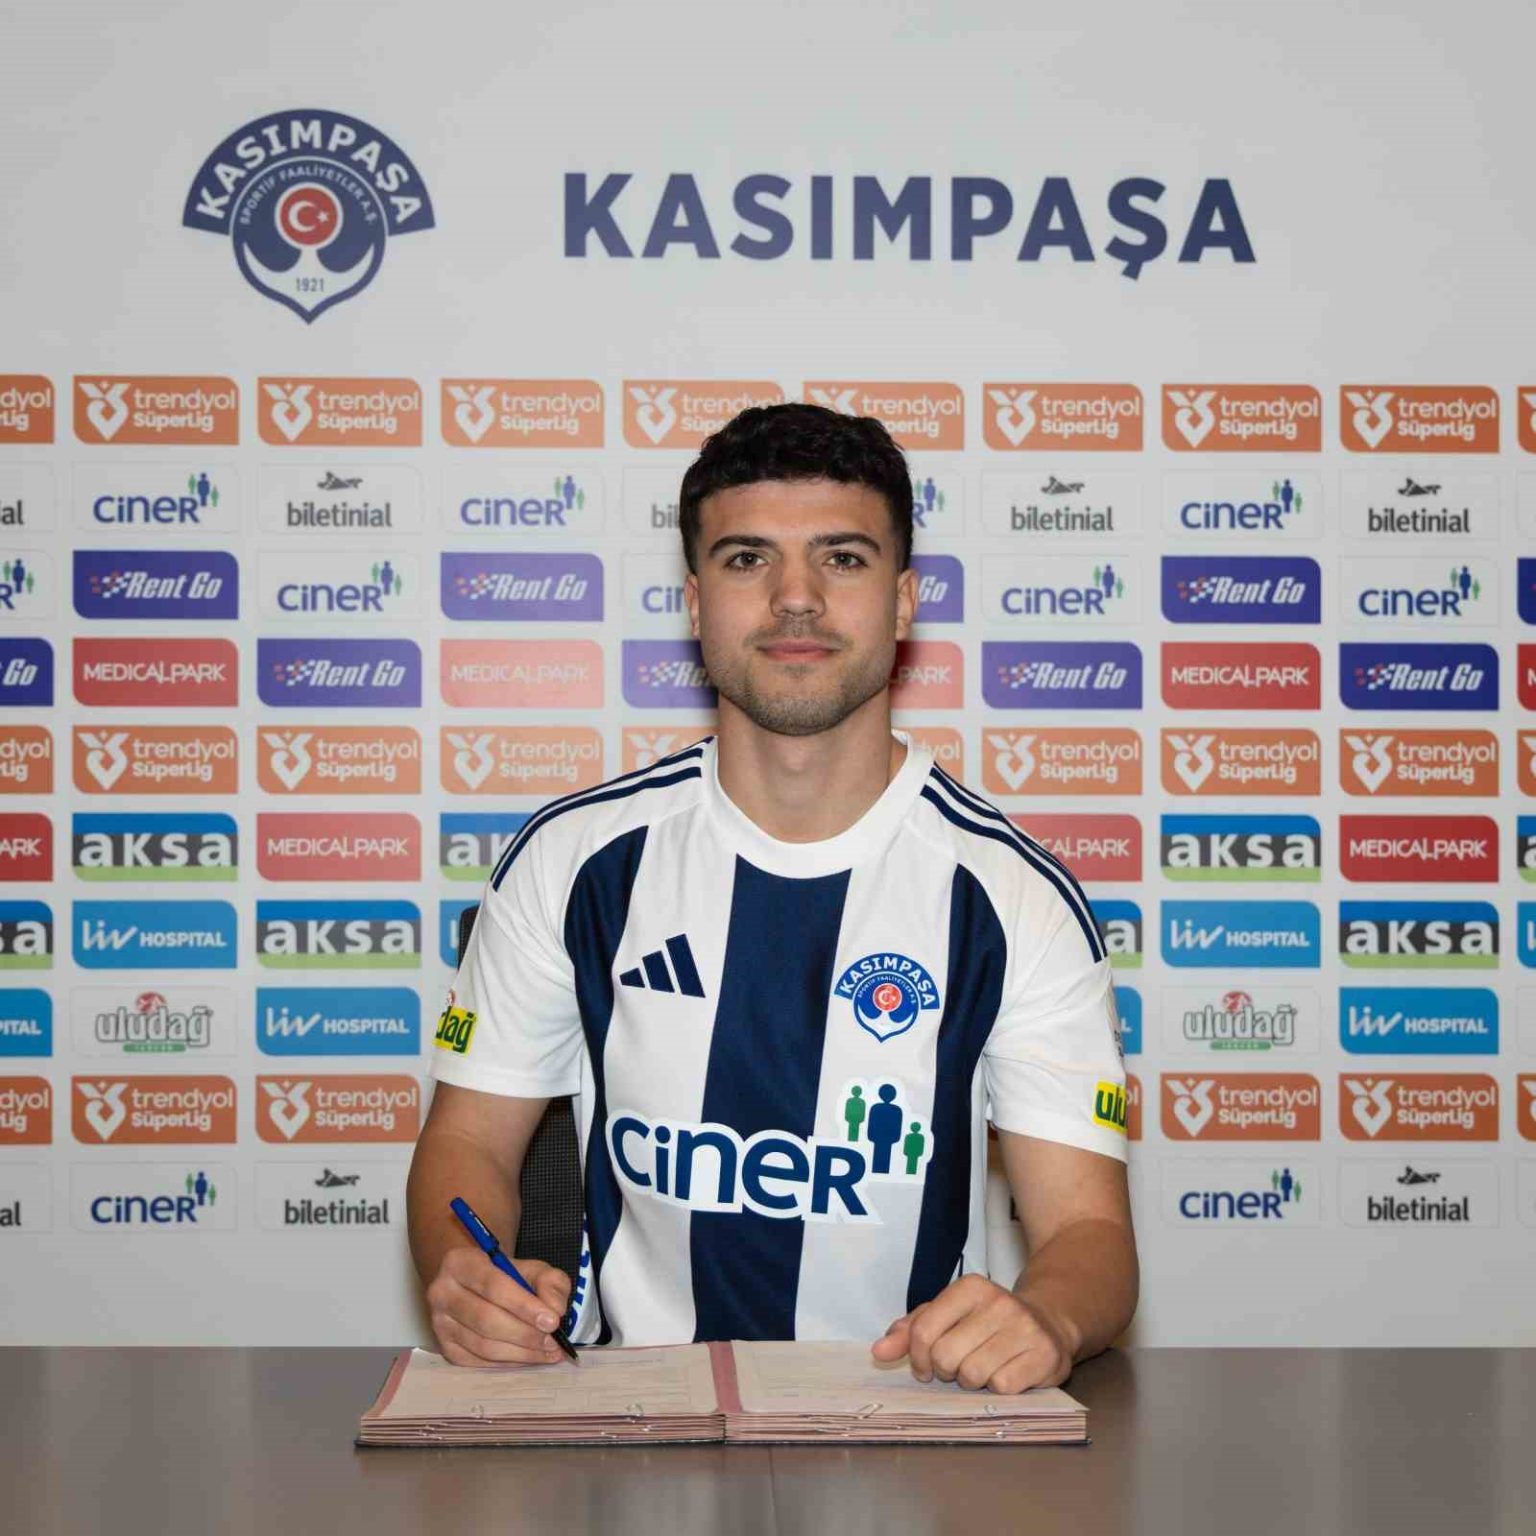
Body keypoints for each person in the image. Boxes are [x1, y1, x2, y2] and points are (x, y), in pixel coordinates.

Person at [407, 402, 1137, 1395]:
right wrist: (465, 1271)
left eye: (843, 558)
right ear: (695, 602)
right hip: (632, 1421)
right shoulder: (573, 861)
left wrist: (1048, 1316)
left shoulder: (1013, 897)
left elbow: (1088, 1232)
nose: (797, 598)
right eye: (748, 559)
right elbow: (465, 1143)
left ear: (904, 602)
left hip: (916, 1423)